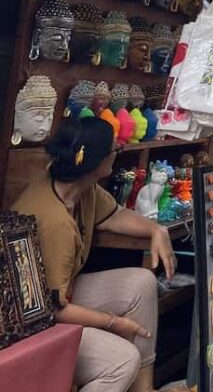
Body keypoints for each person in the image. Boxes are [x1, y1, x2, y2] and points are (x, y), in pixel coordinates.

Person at [12, 116, 177, 392]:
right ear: (97, 162)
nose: (118, 150)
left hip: (60, 295)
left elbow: (114, 215)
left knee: (142, 283)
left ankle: (143, 389)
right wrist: (114, 322)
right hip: (32, 318)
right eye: (114, 149)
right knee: (123, 360)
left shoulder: (79, 187)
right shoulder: (54, 222)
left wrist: (156, 230)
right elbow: (55, 309)